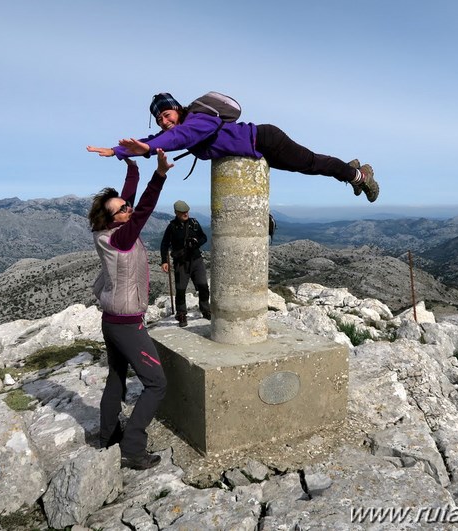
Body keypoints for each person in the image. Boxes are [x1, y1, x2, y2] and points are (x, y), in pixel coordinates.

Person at [87, 92, 379, 202]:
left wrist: (146, 149)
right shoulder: (184, 126)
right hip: (259, 148)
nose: (163, 122)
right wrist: (117, 151)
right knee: (309, 168)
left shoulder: (198, 120)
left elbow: (176, 140)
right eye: (159, 119)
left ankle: (360, 175)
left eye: (166, 114)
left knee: (311, 164)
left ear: (177, 109)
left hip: (266, 139)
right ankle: (348, 170)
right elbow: (151, 142)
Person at [88, 149, 173, 470]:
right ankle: (132, 447)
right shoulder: (121, 237)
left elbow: (130, 202)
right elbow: (143, 209)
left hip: (112, 321)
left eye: (126, 205)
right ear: (114, 220)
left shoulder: (108, 231)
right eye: (123, 209)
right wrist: (160, 174)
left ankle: (108, 437)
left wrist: (132, 167)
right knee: (156, 382)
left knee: (116, 377)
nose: (129, 208)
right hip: (126, 323)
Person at [160, 200, 211, 327]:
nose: (185, 213)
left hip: (196, 260)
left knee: (203, 286)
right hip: (181, 262)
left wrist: (196, 242)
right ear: (176, 213)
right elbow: (164, 244)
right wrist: (164, 261)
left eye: (186, 211)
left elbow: (204, 237)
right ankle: (181, 314)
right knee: (181, 289)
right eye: (182, 212)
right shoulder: (172, 226)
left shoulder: (194, 223)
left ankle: (205, 309)